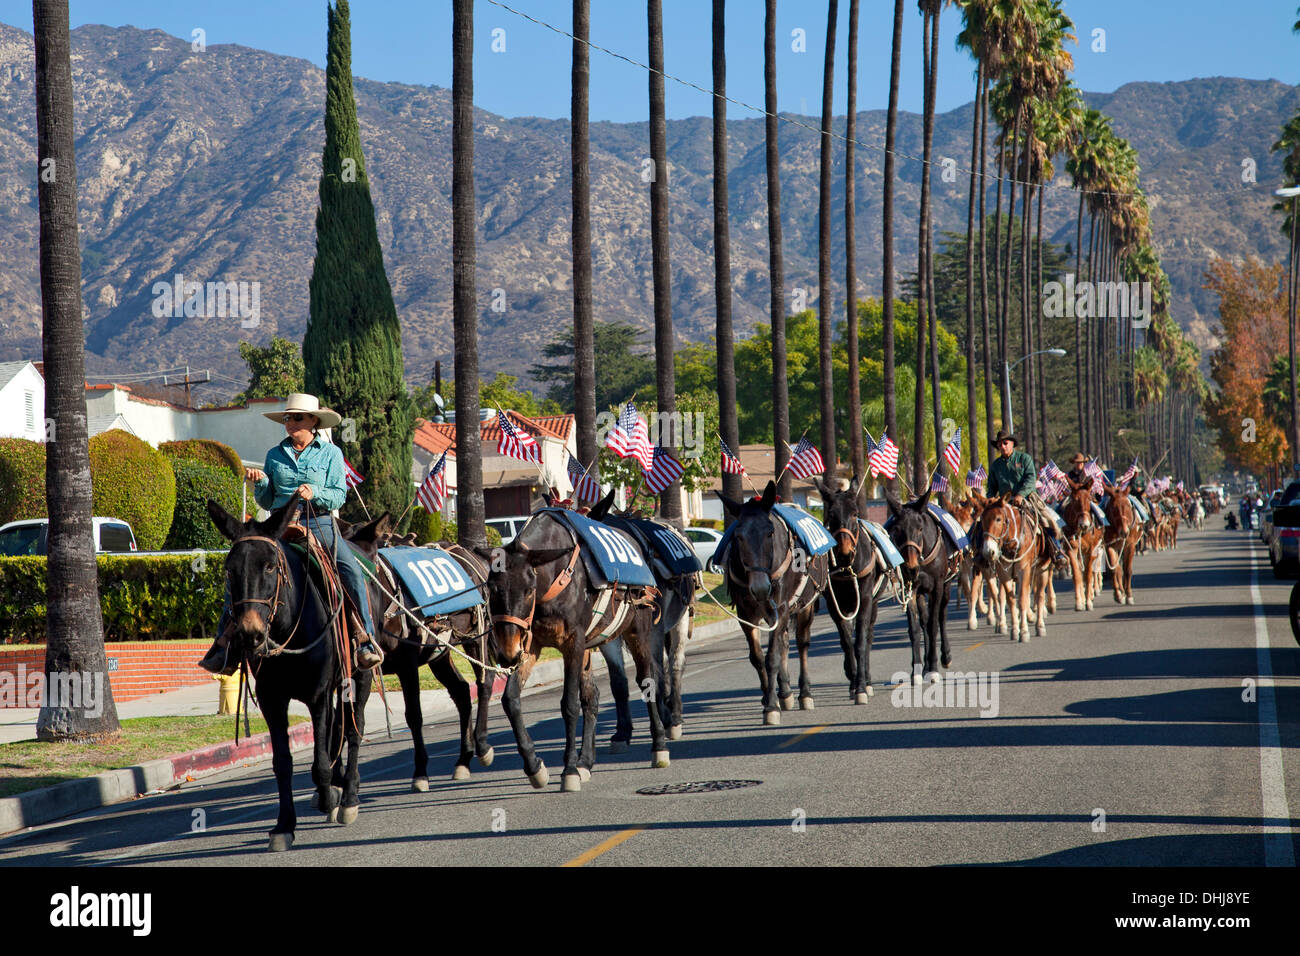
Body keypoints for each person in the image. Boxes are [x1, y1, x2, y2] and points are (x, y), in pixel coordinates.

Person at [198, 393, 383, 675]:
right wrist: (261, 484)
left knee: (352, 573)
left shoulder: (331, 453)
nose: (290, 422)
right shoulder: (274, 455)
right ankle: (224, 646)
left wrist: (315, 491)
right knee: (243, 569)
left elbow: (339, 496)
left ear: (313, 422)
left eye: (297, 417)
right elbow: (268, 501)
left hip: (319, 522)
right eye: (287, 418)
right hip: (278, 525)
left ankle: (364, 640)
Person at [984, 429, 1068, 567]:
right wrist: (991, 499)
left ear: (1012, 444)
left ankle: (1057, 550)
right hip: (1003, 503)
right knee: (986, 523)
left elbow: (1030, 479)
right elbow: (991, 487)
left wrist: (1020, 495)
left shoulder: (1024, 459)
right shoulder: (995, 466)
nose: (1002, 446)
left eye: (1005, 443)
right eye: (999, 444)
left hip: (1027, 499)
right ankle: (980, 555)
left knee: (1046, 520)